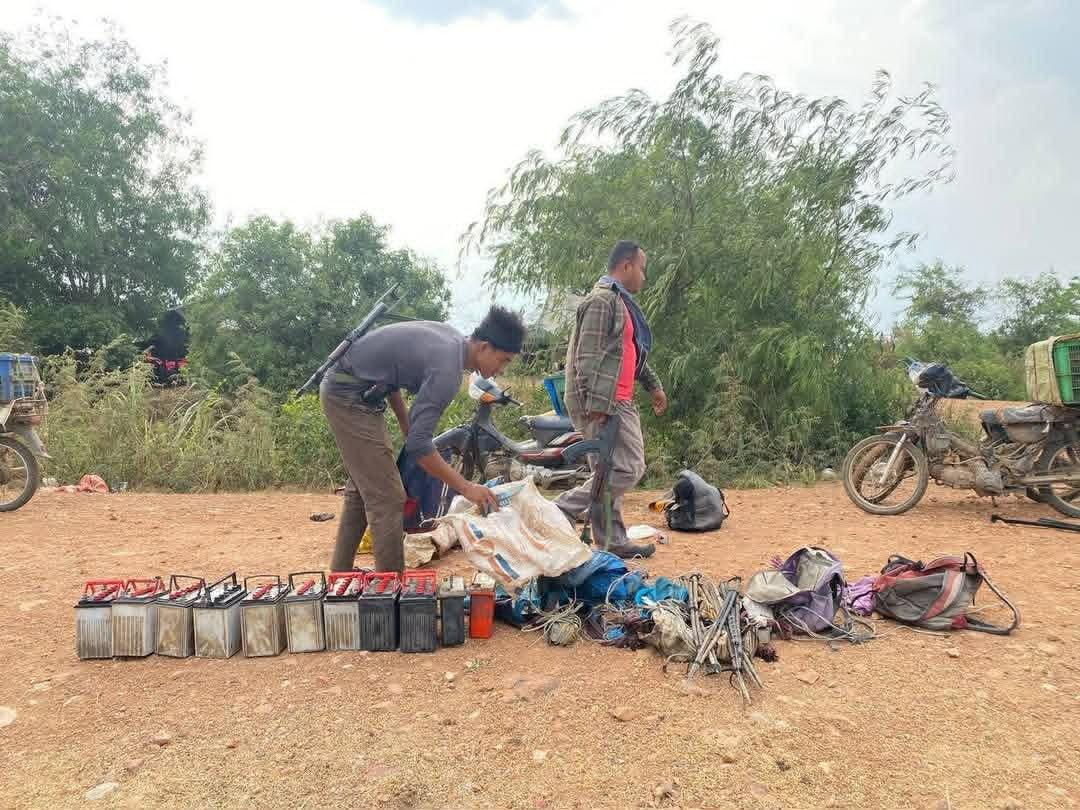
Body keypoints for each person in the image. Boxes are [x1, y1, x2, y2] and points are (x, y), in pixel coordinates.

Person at [320, 306, 526, 573]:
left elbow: (389, 376)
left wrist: (408, 428)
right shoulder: (448, 369)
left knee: (365, 488)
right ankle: (392, 593)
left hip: (357, 391)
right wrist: (466, 488)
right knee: (389, 497)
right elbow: (419, 446)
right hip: (346, 394)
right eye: (503, 360)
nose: (501, 369)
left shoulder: (452, 340)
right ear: (484, 347)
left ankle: (341, 574)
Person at [556, 240, 668, 559]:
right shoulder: (602, 300)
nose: (644, 277)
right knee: (629, 467)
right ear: (627, 266)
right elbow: (587, 357)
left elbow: (631, 355)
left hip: (615, 397)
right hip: (602, 400)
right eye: (642, 269)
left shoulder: (621, 304)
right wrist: (597, 405)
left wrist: (653, 386)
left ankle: (611, 541)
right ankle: (562, 509)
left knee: (605, 469)